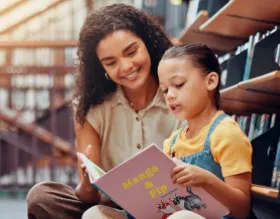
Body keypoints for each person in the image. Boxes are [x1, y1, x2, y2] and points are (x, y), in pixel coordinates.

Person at [26, 4, 182, 219]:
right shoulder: (91, 108)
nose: (126, 66)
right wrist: (87, 183)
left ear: (148, 44)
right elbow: (89, 197)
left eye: (132, 52)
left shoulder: (179, 93)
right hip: (113, 211)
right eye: (111, 62)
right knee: (42, 197)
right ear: (102, 68)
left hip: (173, 207)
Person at [157, 44, 256, 219]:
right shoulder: (171, 143)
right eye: (165, 90)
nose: (170, 95)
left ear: (210, 81)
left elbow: (242, 210)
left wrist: (208, 180)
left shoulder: (226, 134)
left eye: (178, 85)